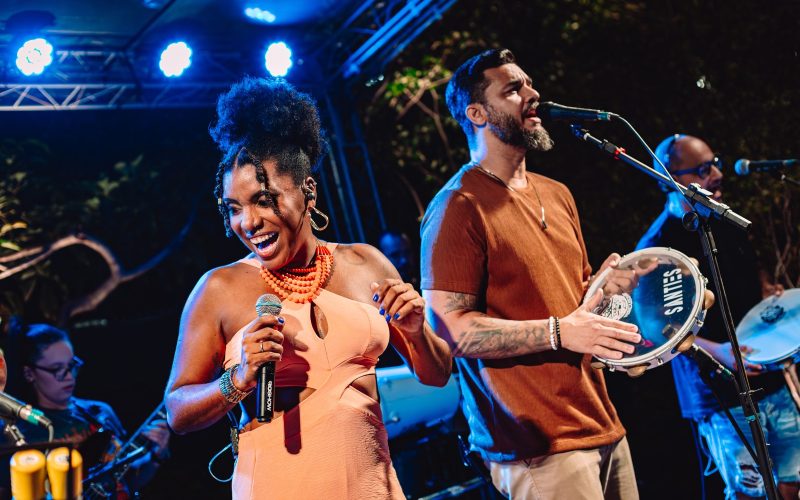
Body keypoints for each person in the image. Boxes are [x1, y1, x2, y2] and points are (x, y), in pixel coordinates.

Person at [164, 77, 452, 499]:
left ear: (308, 192)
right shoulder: (219, 289)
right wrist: (239, 380)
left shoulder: (365, 263)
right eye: (234, 208)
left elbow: (437, 373)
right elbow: (177, 410)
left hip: (374, 487)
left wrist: (414, 329)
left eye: (263, 200)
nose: (248, 222)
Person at [420, 48, 644, 499]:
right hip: (536, 447)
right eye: (513, 89)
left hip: (601, 422)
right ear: (477, 113)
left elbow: (574, 307)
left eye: (528, 83)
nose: (533, 94)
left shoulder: (557, 193)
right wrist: (560, 332)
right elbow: (450, 331)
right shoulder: (456, 208)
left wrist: (608, 296)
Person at [636, 134, 799, 500]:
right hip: (719, 395)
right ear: (670, 179)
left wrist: (769, 291)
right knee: (750, 493)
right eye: (702, 169)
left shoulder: (725, 221)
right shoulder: (657, 247)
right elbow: (655, 330)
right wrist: (721, 352)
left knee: (791, 483)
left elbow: (751, 275)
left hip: (769, 379)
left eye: (716, 163)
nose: (716, 174)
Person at [10, 323, 170, 497]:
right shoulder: (20, 433)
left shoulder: (101, 412)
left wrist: (156, 456)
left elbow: (127, 480)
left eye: (72, 365)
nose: (69, 376)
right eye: (57, 370)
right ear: (29, 373)